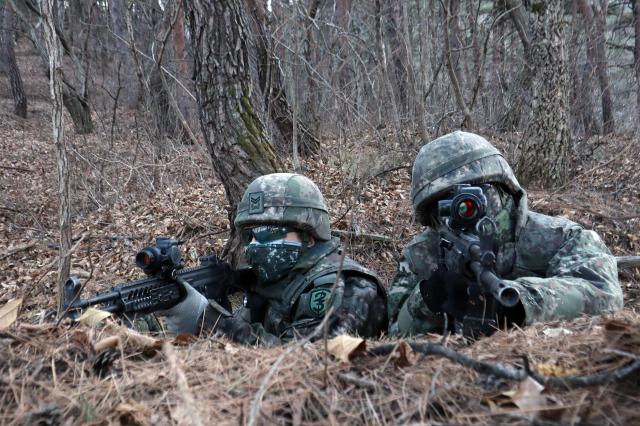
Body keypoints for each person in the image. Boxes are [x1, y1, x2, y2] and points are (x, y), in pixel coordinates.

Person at [387, 131, 623, 336]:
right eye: (445, 205)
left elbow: (604, 294)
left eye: (476, 198)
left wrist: (519, 303)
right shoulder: (420, 255)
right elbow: (390, 336)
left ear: (505, 191)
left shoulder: (562, 238)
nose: (462, 212)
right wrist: (427, 302)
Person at [161, 173, 387, 345]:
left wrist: (209, 320)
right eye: (249, 236)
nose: (253, 245)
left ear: (308, 235)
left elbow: (303, 365)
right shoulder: (275, 281)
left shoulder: (347, 287)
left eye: (267, 233)